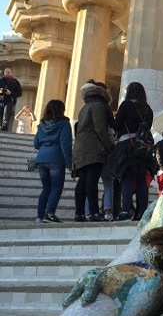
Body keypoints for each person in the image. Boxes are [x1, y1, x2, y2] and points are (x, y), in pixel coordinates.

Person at [73, 80, 115, 222]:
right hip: (93, 149)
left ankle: (79, 213)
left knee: (82, 182)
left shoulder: (84, 107)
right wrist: (110, 146)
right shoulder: (98, 106)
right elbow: (100, 129)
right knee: (91, 181)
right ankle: (94, 213)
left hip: (80, 148)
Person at [112, 82, 154, 221]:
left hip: (127, 147)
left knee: (127, 178)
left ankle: (125, 212)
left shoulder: (126, 105)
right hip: (143, 149)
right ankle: (142, 212)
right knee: (141, 180)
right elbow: (148, 127)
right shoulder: (148, 109)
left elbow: (117, 125)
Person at [33, 100, 73, 223]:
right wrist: (69, 163)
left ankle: (40, 216)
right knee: (56, 187)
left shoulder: (42, 124)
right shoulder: (64, 124)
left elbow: (36, 143)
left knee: (46, 188)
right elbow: (65, 144)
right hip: (56, 158)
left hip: (41, 158)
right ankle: (50, 214)